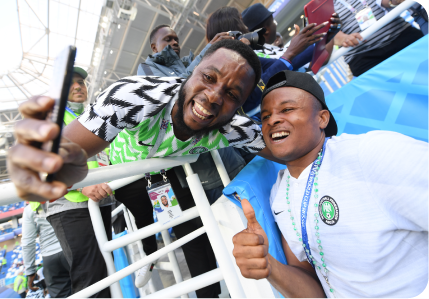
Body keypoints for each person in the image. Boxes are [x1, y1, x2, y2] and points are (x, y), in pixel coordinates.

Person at [7, 39, 279, 299]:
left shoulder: (232, 127)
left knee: (181, 224)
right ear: (191, 71)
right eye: (209, 77)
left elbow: (289, 147)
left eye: (231, 94)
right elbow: (45, 167)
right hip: (125, 174)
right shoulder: (133, 97)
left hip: (164, 172)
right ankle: (148, 257)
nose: (213, 97)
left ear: (239, 105)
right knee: (143, 217)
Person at [232, 70, 429, 298]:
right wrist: (269, 266)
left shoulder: (371, 153)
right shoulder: (279, 193)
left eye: (287, 109)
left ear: (322, 118)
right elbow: (314, 290)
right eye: (265, 116)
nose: (273, 120)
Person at [135, 24, 249, 294]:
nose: (175, 42)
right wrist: (208, 54)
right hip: (179, 176)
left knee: (241, 234)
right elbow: (176, 93)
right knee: (201, 242)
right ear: (154, 47)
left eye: (177, 37)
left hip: (224, 164)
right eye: (168, 39)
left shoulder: (193, 62)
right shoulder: (147, 70)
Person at [33, 66, 114, 299]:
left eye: (81, 82)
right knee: (91, 277)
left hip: (100, 199)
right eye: (71, 83)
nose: (78, 86)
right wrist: (83, 184)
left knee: (105, 271)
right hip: (69, 204)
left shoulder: (93, 113)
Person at [206, 6, 340, 113]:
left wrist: (325, 34)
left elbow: (286, 63)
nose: (247, 28)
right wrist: (290, 53)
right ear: (231, 32)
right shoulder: (222, 68)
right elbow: (251, 98)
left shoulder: (251, 56)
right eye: (241, 22)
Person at [333, 0, 423, 77]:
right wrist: (343, 38)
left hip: (401, 36)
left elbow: (387, 2)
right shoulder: (321, 4)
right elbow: (328, 31)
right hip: (364, 57)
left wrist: (393, 1)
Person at [22, 204, 71, 299]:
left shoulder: (30, 208)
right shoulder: (63, 194)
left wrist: (30, 272)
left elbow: (28, 243)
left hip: (49, 257)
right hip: (70, 247)